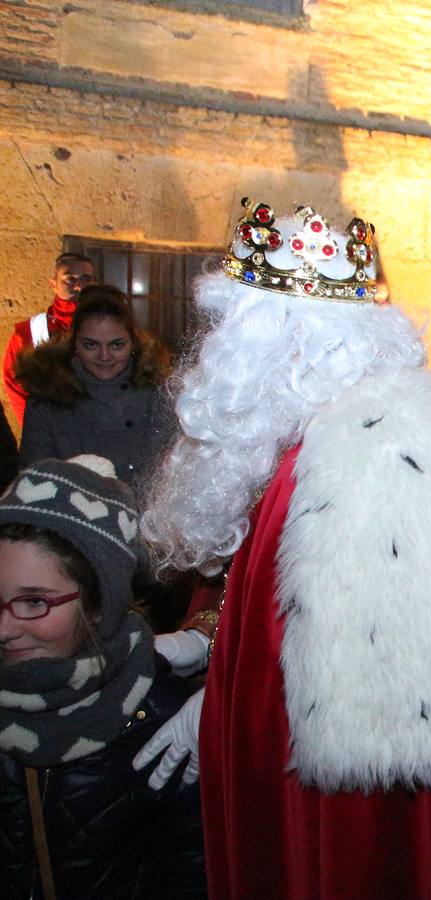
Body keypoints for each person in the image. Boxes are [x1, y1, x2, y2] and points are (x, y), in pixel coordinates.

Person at [136, 198, 431, 899]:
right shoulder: (308, 438)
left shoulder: (374, 449)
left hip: (343, 798)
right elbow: (286, 598)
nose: (217, 355)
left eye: (234, 333)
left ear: (290, 343)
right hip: (280, 750)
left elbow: (376, 693)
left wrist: (220, 711)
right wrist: (213, 644)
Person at [0, 455, 205, 899]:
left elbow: (190, 871)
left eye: (34, 602)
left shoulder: (162, 720)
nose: (4, 628)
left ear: (99, 605)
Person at [16, 285, 174, 494]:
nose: (104, 356)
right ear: (74, 344)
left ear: (132, 344)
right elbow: (34, 482)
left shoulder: (160, 392)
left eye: (117, 345)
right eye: (90, 345)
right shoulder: (47, 400)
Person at [4, 253, 96, 426]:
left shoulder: (109, 328)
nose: (78, 287)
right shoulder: (30, 332)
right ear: (53, 284)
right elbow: (15, 384)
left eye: (86, 279)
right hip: (50, 431)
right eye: (70, 279)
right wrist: (35, 428)